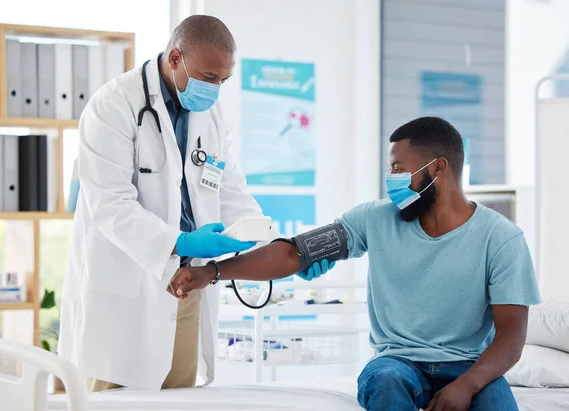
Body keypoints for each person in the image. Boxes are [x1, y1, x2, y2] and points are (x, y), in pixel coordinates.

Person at [168, 117, 541, 411]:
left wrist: (466, 386)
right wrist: (210, 272)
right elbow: (292, 253)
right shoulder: (375, 219)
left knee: (495, 402)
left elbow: (511, 339)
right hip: (398, 363)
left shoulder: (502, 239)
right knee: (386, 382)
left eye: (398, 168)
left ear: (438, 168)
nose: (391, 180)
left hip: (470, 366)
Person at [58, 15, 331, 392]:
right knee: (113, 399)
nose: (216, 88)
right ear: (174, 58)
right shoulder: (114, 106)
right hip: (123, 291)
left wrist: (283, 251)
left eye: (223, 79)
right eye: (208, 77)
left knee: (177, 398)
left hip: (185, 288)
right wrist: (181, 241)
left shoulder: (212, 115)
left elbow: (231, 191)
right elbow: (110, 205)